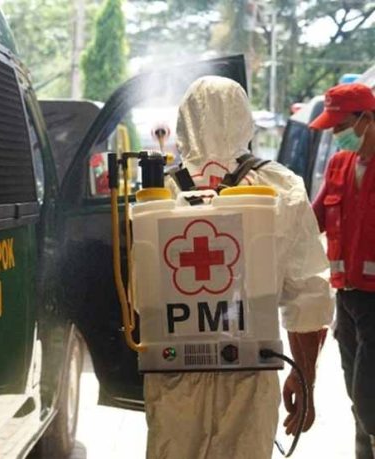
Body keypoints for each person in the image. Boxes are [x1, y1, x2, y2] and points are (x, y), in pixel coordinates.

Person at [143, 76, 334, 459]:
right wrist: (305, 378)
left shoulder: (156, 192)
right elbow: (308, 296)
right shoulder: (282, 186)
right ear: (245, 119)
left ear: (184, 121)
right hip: (251, 369)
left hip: (173, 372)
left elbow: (137, 292)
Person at [309, 82, 375, 459]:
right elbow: (313, 219)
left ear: (365, 118)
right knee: (356, 394)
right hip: (347, 299)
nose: (335, 135)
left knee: (370, 399)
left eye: (339, 126)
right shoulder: (339, 165)